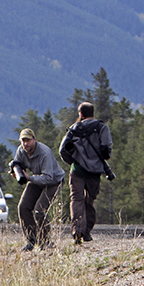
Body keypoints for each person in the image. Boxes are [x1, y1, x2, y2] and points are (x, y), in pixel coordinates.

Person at [59, 102, 114, 244]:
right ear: (93, 112)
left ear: (81, 114)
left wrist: (72, 161)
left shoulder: (73, 128)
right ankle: (87, 231)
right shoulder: (102, 128)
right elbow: (106, 151)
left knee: (77, 200)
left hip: (77, 170)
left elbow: (62, 150)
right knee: (90, 201)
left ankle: (77, 229)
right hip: (94, 172)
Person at [9, 128, 64, 251]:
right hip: (36, 179)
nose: (25, 144)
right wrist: (16, 173)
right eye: (23, 140)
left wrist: (29, 178)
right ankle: (31, 240)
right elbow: (18, 164)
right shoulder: (21, 150)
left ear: (34, 140)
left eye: (28, 140)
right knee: (23, 207)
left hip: (54, 182)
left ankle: (46, 241)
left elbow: (49, 178)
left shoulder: (45, 153)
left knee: (40, 210)